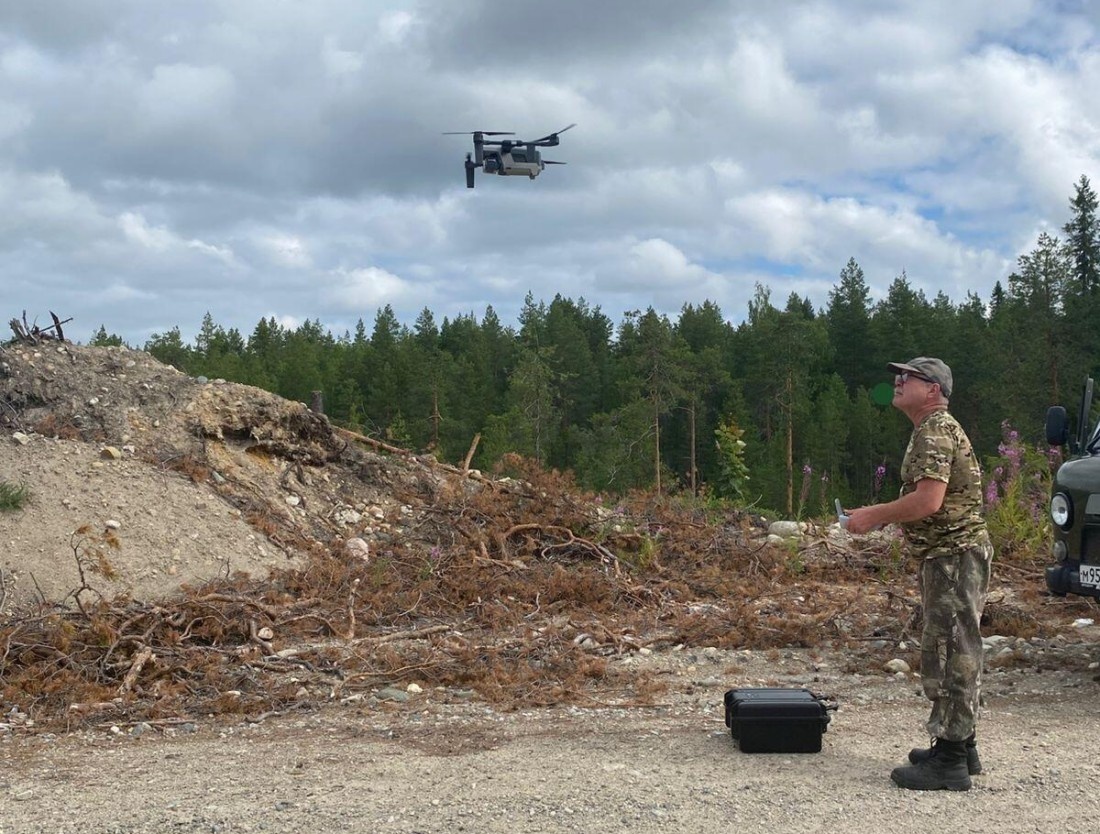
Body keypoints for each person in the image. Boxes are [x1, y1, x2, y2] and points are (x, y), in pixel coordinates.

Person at [846, 357, 992, 792]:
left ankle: (949, 761)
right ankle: (961, 745)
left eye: (907, 376)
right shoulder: (932, 430)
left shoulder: (934, 431)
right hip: (949, 554)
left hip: (953, 554)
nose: (898, 380)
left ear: (933, 390)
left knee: (950, 651)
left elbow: (929, 501)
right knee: (957, 644)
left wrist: (873, 516)